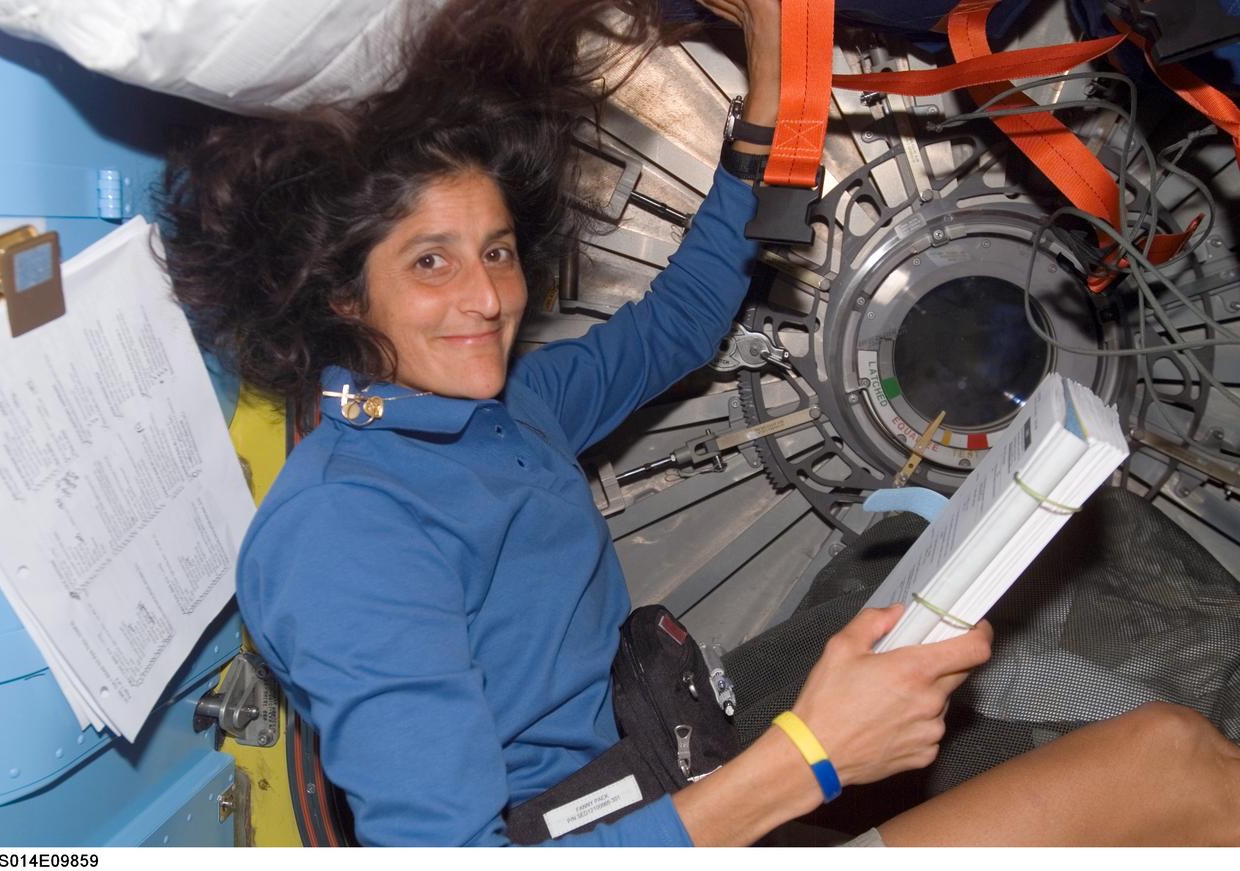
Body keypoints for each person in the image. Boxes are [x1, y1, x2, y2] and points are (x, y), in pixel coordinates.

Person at [163, 0, 1240, 847]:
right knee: (1171, 765)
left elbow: (675, 323)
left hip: (663, 774)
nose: (487, 298)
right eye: (429, 262)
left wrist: (773, 103)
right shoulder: (346, 533)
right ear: (337, 294)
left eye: (494, 249)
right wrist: (811, 758)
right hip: (641, 824)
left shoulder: (497, 411)